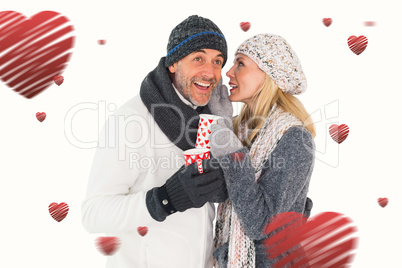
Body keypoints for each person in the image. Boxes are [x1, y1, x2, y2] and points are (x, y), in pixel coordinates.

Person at [81, 15, 230, 268]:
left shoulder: (210, 118)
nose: (210, 72)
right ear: (173, 63)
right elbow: (93, 213)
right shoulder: (131, 121)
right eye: (198, 58)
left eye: (217, 61)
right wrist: (165, 199)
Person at [209, 34, 316, 267]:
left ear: (269, 74)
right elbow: (219, 193)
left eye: (241, 63)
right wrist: (223, 123)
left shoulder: (295, 138)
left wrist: (231, 152)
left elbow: (260, 224)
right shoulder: (242, 130)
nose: (229, 73)